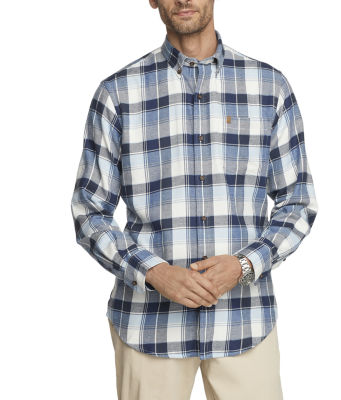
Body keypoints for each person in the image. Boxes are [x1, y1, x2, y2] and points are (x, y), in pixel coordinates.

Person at [70, 0, 318, 398]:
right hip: (149, 326)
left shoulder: (269, 87)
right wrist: (154, 272)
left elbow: (297, 202)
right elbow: (89, 211)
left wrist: (244, 265)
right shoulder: (117, 94)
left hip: (244, 321)